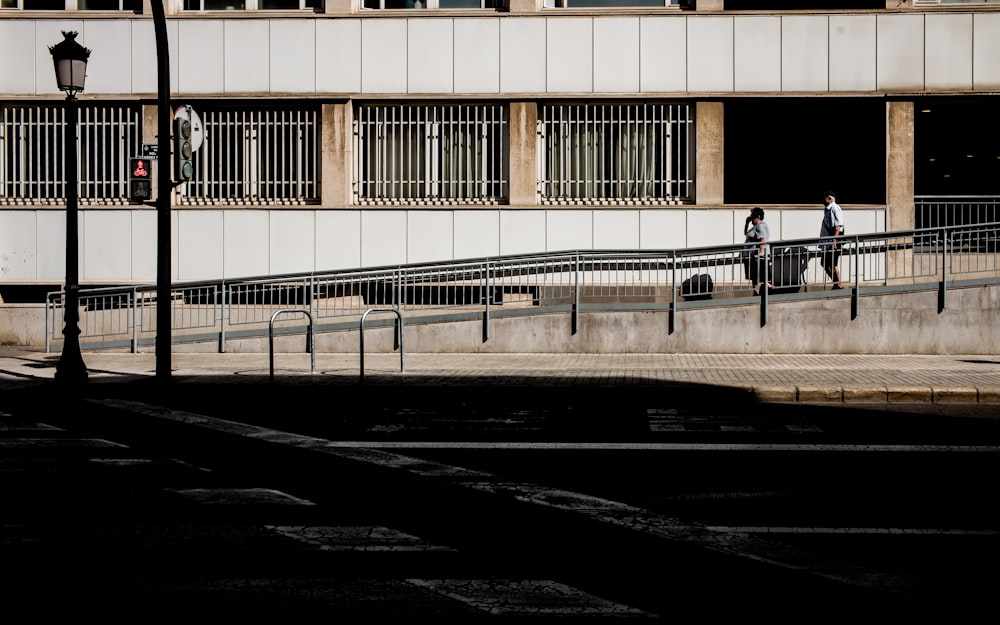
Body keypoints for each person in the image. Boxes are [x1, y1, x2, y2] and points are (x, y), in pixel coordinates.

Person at [819, 190, 845, 289]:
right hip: (830, 239)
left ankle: (838, 284)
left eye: (825, 198)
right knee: (825, 263)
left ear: (829, 198)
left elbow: (838, 225)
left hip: (835, 238)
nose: (823, 200)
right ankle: (837, 283)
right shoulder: (828, 209)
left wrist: (835, 239)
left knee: (832, 263)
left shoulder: (834, 207)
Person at [742, 206, 770, 295]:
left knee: (757, 275)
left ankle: (759, 291)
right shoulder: (756, 227)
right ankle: (757, 291)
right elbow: (746, 234)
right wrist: (747, 223)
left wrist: (760, 253)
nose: (751, 219)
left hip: (757, 256)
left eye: (752, 217)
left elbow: (763, 239)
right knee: (755, 276)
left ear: (757, 217)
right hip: (754, 255)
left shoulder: (760, 226)